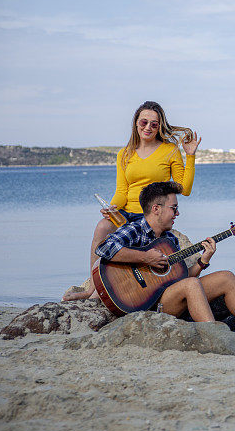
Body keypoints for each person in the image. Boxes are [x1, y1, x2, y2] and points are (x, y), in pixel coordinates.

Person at [93, 181, 235, 351]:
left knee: (226, 277)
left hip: (169, 299)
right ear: (156, 209)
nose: (178, 214)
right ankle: (217, 340)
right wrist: (145, 257)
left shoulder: (170, 239)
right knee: (191, 285)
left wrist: (203, 261)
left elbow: (180, 278)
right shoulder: (135, 229)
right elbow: (104, 248)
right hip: (143, 303)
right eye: (174, 208)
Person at [66, 101, 200, 300]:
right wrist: (112, 207)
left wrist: (190, 156)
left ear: (160, 126)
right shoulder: (125, 153)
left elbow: (185, 189)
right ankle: (93, 290)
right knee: (102, 227)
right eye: (144, 122)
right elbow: (122, 190)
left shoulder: (170, 151)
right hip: (126, 213)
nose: (148, 127)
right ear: (136, 123)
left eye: (154, 124)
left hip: (151, 215)